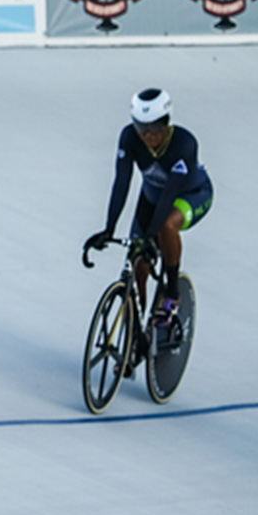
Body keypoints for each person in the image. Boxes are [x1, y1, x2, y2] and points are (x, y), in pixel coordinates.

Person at [84, 88, 212, 332]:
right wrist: (108, 228)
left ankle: (172, 294)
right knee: (138, 264)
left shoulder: (184, 144)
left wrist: (149, 236)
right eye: (140, 128)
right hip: (153, 197)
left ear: (166, 124)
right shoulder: (129, 137)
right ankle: (135, 333)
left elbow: (170, 195)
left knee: (166, 227)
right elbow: (122, 182)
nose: (146, 136)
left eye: (153, 129)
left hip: (189, 195)